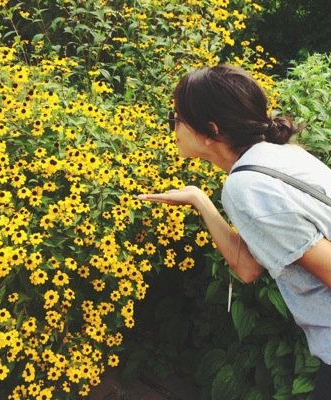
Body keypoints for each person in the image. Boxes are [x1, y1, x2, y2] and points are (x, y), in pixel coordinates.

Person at [137, 64, 331, 399]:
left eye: (178, 119)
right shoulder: (282, 155)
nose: (173, 128)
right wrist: (200, 199)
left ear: (210, 130)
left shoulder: (246, 186)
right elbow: (249, 266)